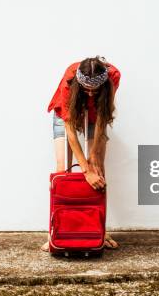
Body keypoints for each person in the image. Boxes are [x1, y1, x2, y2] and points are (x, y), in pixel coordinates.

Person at [41, 56, 121, 252]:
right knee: (62, 172)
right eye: (86, 90)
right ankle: (57, 231)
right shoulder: (71, 76)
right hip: (65, 114)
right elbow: (70, 129)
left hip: (96, 114)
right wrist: (85, 170)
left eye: (96, 90)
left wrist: (93, 159)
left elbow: (102, 115)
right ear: (79, 83)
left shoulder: (113, 76)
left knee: (99, 171)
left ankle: (98, 230)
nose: (91, 94)